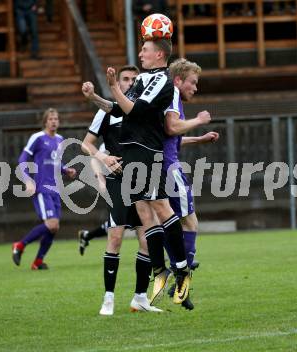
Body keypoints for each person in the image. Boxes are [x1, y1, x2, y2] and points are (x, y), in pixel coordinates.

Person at [91, 38, 190, 306]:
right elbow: (118, 109)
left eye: (145, 50)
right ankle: (161, 270)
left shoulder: (161, 79)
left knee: (160, 206)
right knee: (145, 214)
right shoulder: (142, 79)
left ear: (159, 54)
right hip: (131, 150)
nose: (141, 54)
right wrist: (96, 97)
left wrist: (113, 87)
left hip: (147, 149)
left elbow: (136, 109)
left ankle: (182, 268)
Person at [81, 65, 162, 315]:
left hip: (143, 179)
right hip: (118, 181)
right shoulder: (108, 111)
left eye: (133, 79)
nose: (129, 82)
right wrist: (103, 159)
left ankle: (140, 298)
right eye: (125, 79)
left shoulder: (143, 111)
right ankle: (108, 299)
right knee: (115, 237)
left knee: (146, 240)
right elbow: (86, 145)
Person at [163, 58, 220, 310]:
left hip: (155, 166)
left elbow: (171, 137)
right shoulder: (172, 95)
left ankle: (178, 266)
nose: (195, 88)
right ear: (178, 80)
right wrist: (199, 120)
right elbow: (173, 127)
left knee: (167, 222)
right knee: (190, 222)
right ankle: (181, 277)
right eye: (193, 82)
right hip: (169, 168)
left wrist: (199, 139)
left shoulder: (164, 96)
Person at [12, 108, 77, 270]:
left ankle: (38, 262)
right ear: (45, 121)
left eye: (56, 119)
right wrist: (27, 180)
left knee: (54, 228)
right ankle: (20, 245)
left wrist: (65, 169)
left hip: (56, 189)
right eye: (51, 119)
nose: (54, 121)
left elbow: (56, 163)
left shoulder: (60, 139)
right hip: (42, 187)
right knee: (52, 223)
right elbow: (22, 159)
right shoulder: (38, 138)